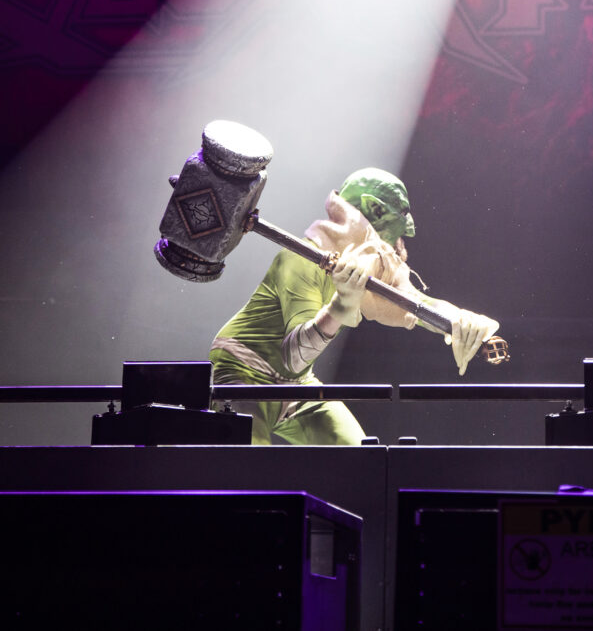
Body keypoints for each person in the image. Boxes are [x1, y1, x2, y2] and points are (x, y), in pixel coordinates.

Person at [209, 168, 499, 445]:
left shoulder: (367, 261)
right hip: (244, 371)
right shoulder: (300, 260)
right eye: (401, 216)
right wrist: (342, 305)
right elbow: (294, 357)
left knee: (363, 460)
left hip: (296, 385)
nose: (404, 234)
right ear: (375, 210)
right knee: (244, 469)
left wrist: (460, 319)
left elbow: (412, 301)